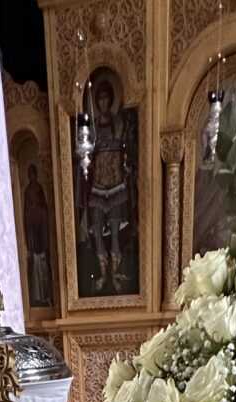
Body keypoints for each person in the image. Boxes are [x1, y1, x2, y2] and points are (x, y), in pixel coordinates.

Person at [81, 79, 134, 293]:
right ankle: (103, 276)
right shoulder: (92, 129)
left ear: (111, 99)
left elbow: (126, 152)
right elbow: (86, 156)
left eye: (106, 98)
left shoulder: (119, 125)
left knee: (114, 237)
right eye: (100, 99)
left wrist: (126, 165)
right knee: (96, 233)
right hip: (97, 186)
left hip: (116, 186)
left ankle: (115, 276)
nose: (103, 102)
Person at [22, 163, 52, 306]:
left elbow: (45, 210)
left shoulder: (39, 189)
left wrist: (39, 210)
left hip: (41, 237)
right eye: (30, 174)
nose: (31, 176)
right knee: (35, 266)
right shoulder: (27, 191)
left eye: (33, 174)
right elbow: (26, 214)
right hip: (33, 238)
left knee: (43, 264)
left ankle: (46, 296)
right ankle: (37, 298)